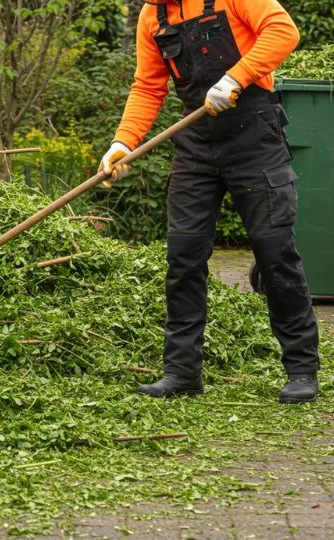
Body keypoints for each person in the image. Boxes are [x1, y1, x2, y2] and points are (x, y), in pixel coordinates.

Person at [99, 0, 319, 402]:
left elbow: (283, 31)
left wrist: (236, 78)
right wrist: (122, 143)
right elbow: (148, 86)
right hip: (196, 143)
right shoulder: (153, 17)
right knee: (183, 257)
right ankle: (181, 372)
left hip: (255, 135)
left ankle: (301, 368)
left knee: (274, 253)